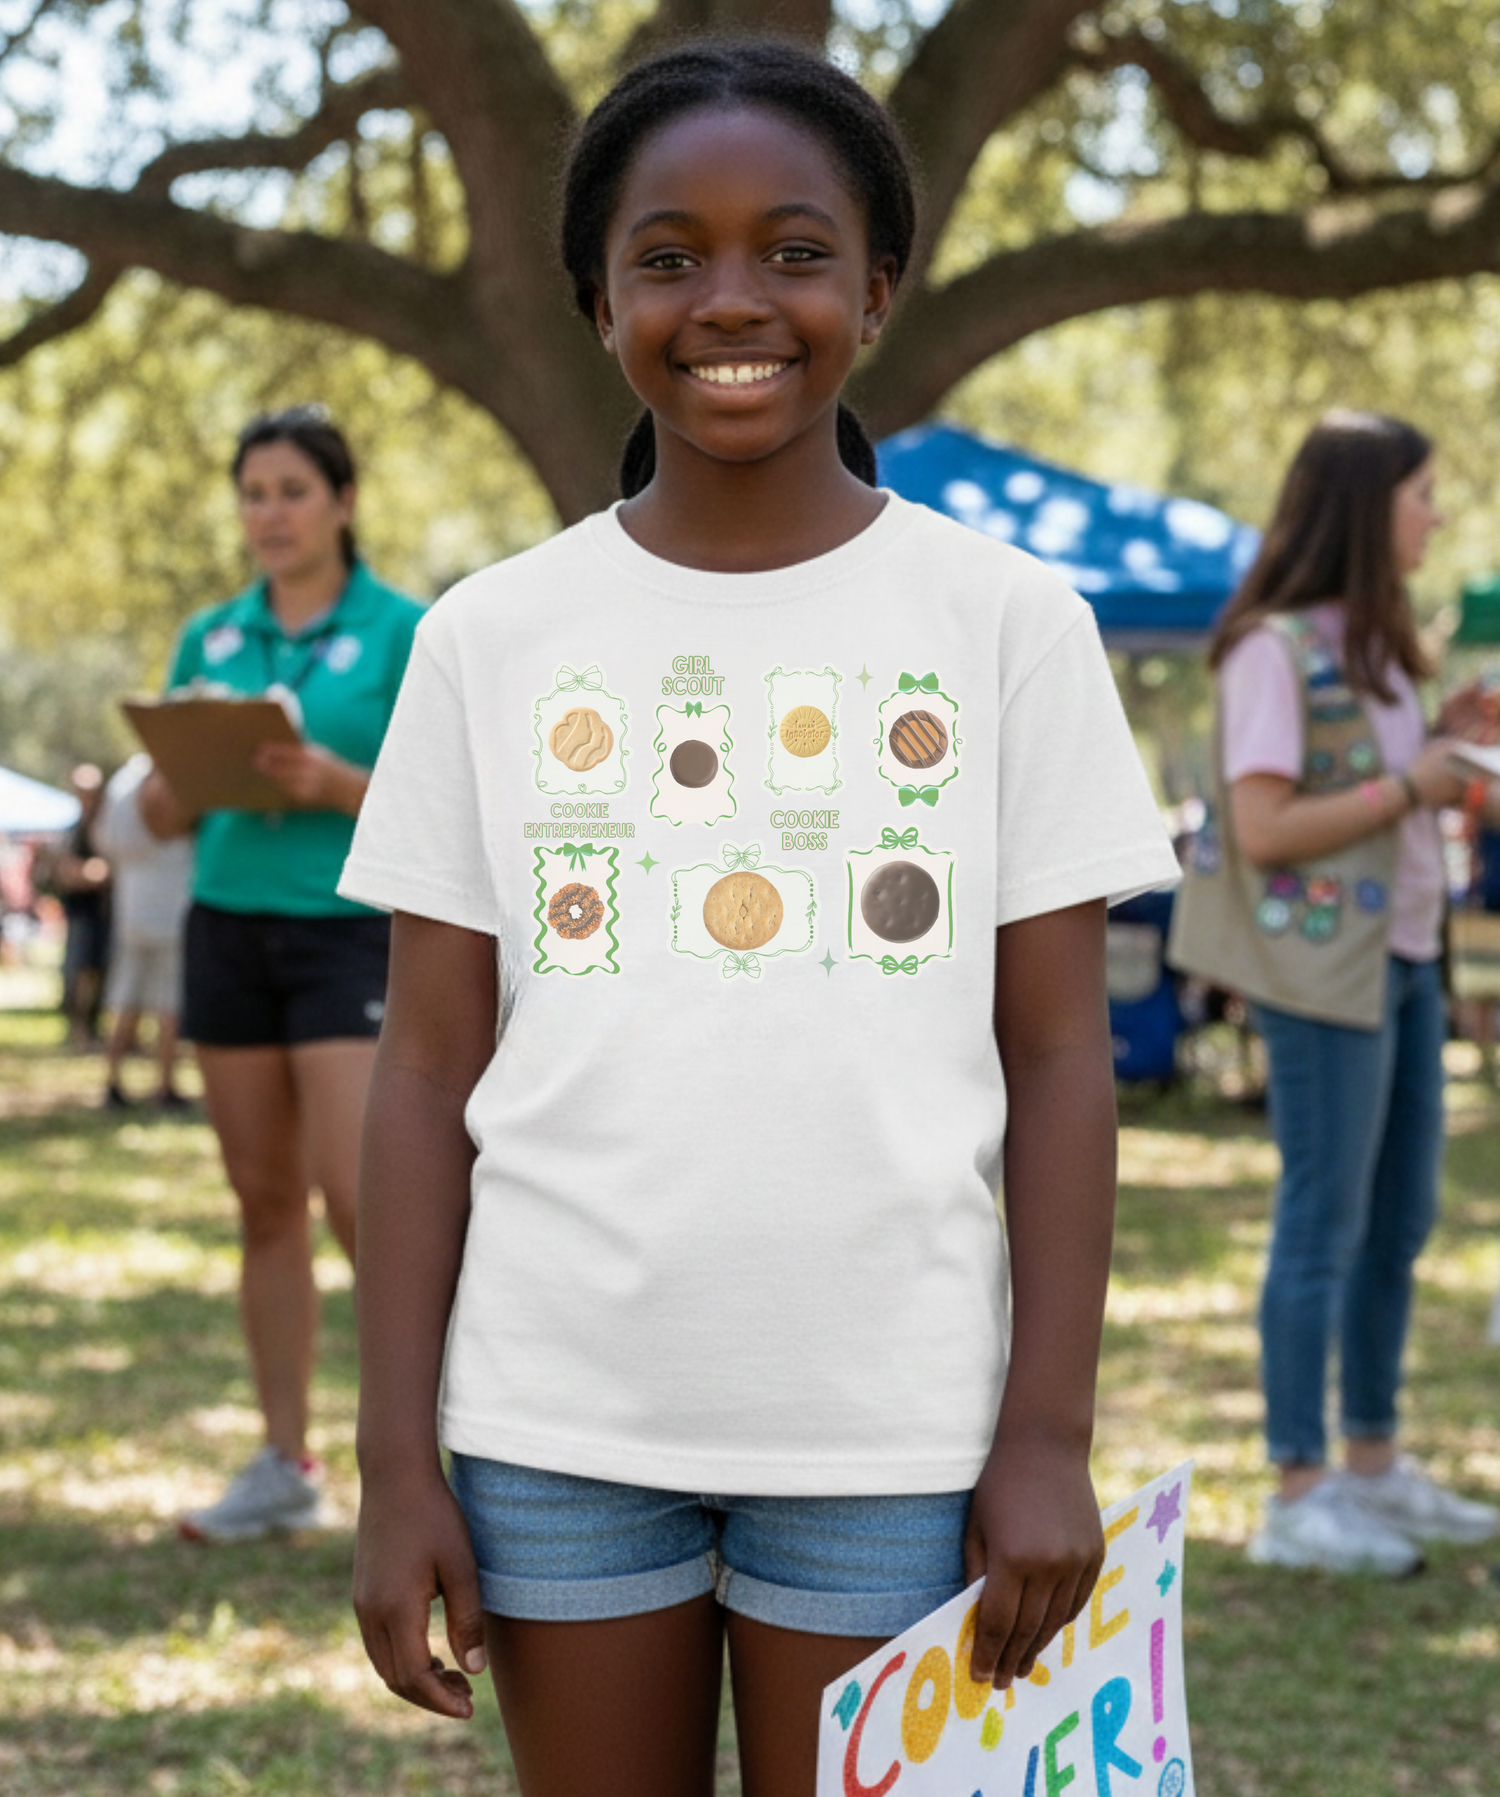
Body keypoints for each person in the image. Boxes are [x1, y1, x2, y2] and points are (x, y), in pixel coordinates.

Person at [342, 41, 1179, 1795]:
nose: (732, 299)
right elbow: (421, 1070)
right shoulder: (490, 638)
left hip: (895, 1435)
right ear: (599, 301)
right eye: (669, 256)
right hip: (555, 1425)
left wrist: (1046, 1430)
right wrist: (393, 1457)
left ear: (876, 289)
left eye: (795, 251)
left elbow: (1057, 1054)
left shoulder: (1007, 619)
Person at [1183, 410, 1499, 1575]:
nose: (1437, 517)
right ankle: (1297, 1491)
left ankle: (1371, 1462)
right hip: (1322, 973)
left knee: (1400, 1218)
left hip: (1405, 959)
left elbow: (1374, 778)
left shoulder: (1377, 647)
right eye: (1423, 495)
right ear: (1368, 508)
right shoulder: (1272, 650)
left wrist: (1440, 743)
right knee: (1323, 1219)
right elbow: (1265, 826)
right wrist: (1412, 786)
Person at [140, 407, 424, 1542]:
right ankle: (283, 1462)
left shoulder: (405, 630)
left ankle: (428, 1458)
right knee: (264, 1203)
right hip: (228, 928)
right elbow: (159, 813)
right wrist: (177, 782)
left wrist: (332, 783)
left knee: (360, 1202)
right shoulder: (211, 636)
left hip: (346, 933)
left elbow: (450, 799)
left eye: (293, 491)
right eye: (253, 493)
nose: (270, 514)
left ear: (344, 501)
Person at [95, 752, 193, 1110]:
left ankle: (112, 1081)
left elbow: (104, 840)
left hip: (132, 907)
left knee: (127, 998)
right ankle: (164, 1086)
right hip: (173, 907)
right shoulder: (181, 773)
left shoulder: (122, 781)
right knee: (169, 1003)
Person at [53, 763, 112, 1049]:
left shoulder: (107, 826)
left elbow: (112, 868)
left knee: (101, 972)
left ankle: (94, 1030)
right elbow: (62, 871)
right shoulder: (72, 829)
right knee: (79, 971)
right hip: (81, 912)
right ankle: (78, 1031)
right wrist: (86, 873)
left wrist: (94, 872)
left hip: (105, 912)